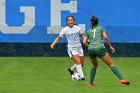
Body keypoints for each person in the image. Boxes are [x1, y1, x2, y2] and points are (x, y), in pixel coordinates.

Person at [83, 16, 130, 86]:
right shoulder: (101, 28)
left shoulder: (88, 31)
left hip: (91, 50)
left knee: (94, 66)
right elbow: (105, 37)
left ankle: (90, 83)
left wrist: (90, 46)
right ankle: (121, 79)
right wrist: (110, 46)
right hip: (100, 48)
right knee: (111, 64)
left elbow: (84, 42)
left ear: (91, 22)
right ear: (97, 22)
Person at [51, 16, 86, 80]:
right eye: (69, 20)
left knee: (82, 64)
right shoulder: (65, 30)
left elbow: (82, 35)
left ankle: (71, 69)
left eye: (72, 20)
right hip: (71, 49)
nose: (70, 21)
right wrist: (53, 44)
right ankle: (82, 78)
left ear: (74, 21)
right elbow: (59, 37)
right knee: (78, 62)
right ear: (67, 22)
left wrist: (84, 39)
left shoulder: (77, 28)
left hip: (79, 47)